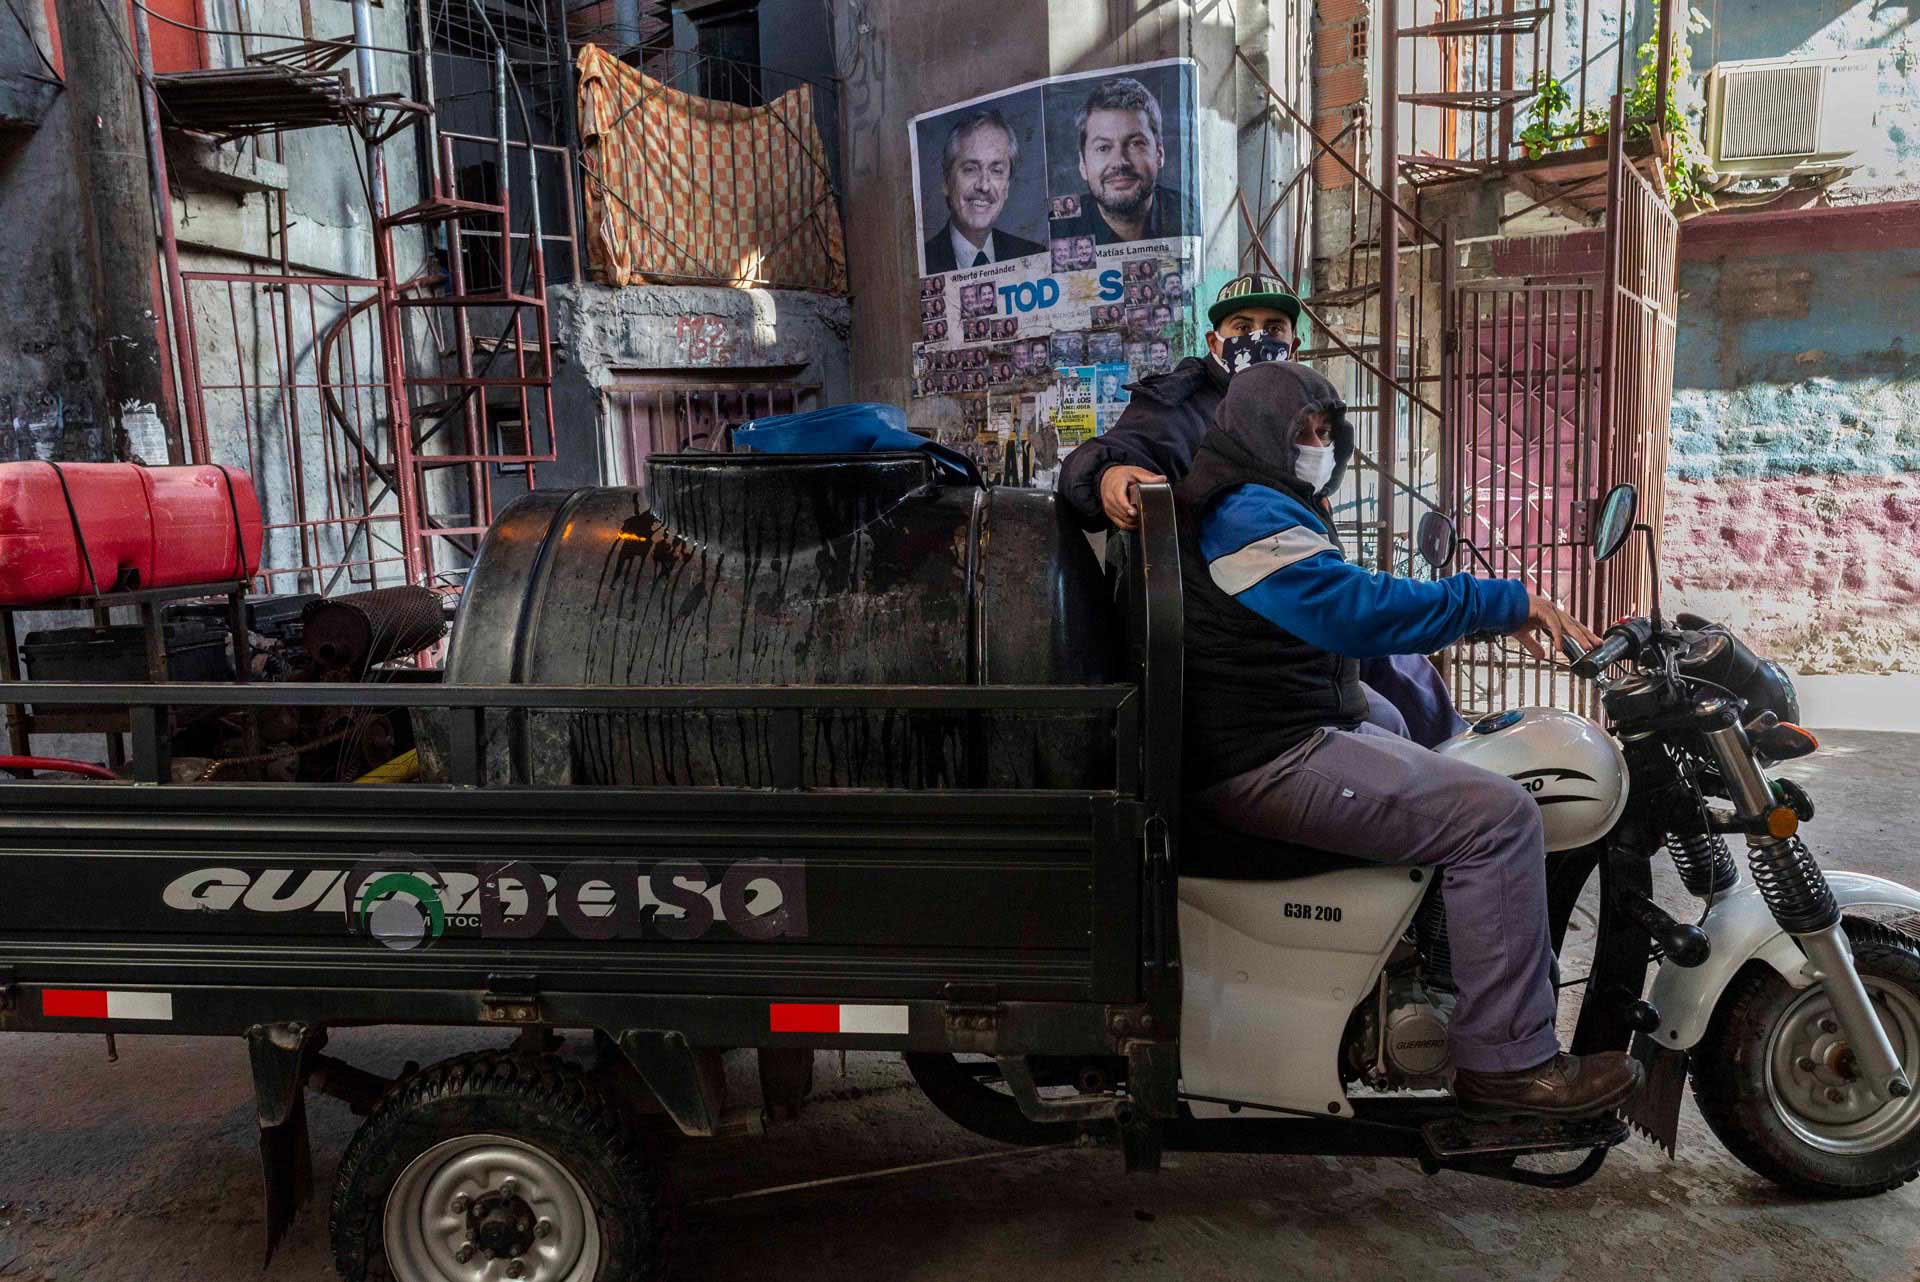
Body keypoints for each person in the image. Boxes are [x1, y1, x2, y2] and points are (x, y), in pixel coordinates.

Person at [1175, 360, 1643, 1119]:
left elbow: (1345, 616)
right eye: (1303, 432)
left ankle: (1437, 982)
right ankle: (1510, 1065)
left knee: (1444, 756)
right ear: (1261, 433)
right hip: (1265, 755)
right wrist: (1501, 601)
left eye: (1327, 431)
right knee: (1499, 818)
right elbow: (1350, 610)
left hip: (1279, 729)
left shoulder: (1264, 502)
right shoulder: (1244, 511)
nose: (1318, 446)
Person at [1052, 77, 1196, 244]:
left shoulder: (1188, 214)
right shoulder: (1059, 228)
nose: (1119, 162)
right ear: (1082, 164)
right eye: (1103, 148)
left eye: (1135, 144)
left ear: (1159, 154)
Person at [923, 110, 1046, 273]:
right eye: (970, 169)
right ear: (946, 182)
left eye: (996, 170)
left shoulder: (1035, 257)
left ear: (1007, 187)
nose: (984, 186)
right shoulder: (921, 264)